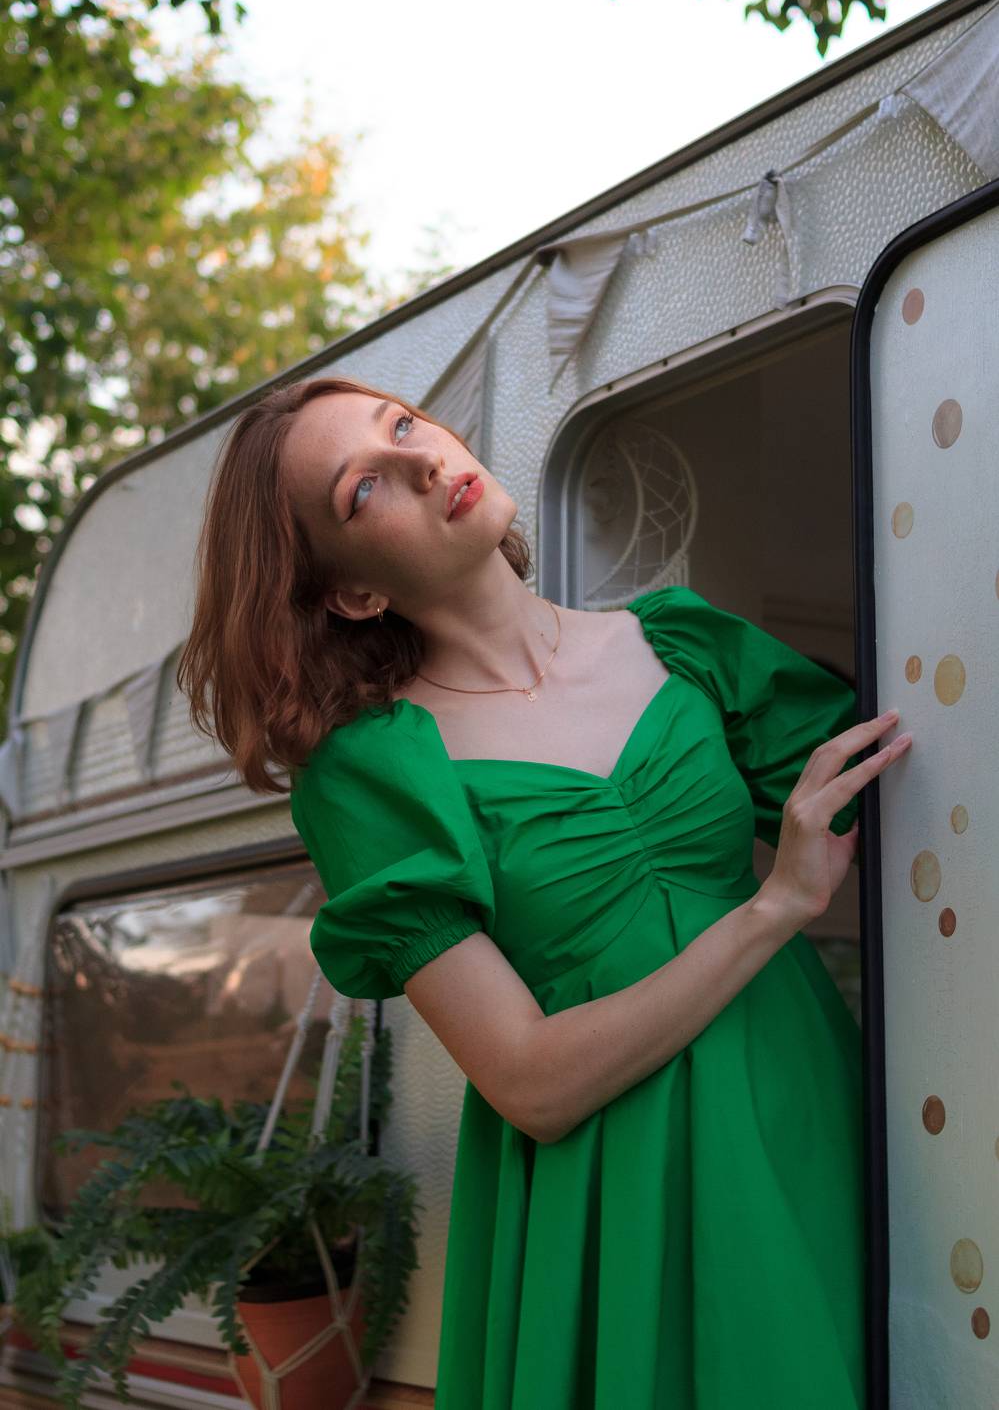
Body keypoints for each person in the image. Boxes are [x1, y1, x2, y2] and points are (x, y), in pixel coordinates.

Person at [178, 370, 913, 1410]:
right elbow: (528, 1084)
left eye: (404, 425)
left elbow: (917, 794)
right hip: (611, 1185)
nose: (421, 461)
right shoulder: (371, 773)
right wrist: (772, 909)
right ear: (352, 593)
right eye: (364, 487)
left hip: (803, 1116)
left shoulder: (682, 644)